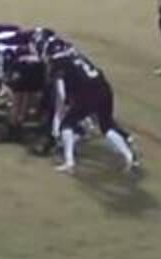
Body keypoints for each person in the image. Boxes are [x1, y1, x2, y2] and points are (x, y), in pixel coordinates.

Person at [45, 40, 139, 175]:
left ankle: (69, 162)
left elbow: (61, 93)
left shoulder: (58, 63)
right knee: (106, 125)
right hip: (105, 89)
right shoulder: (77, 55)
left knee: (67, 124)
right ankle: (128, 156)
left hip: (88, 94)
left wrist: (59, 115)